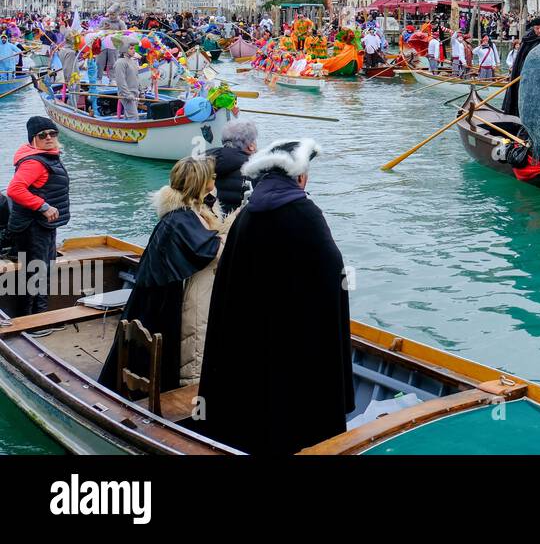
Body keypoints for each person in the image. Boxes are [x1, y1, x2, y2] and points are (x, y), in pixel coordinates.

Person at [197, 139, 353, 454]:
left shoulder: (247, 214)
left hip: (249, 337)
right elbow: (333, 276)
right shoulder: (306, 213)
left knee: (255, 398)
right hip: (298, 342)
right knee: (294, 412)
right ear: (300, 177)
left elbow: (229, 283)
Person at [97, 156, 230, 395]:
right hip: (161, 300)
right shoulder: (181, 220)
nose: (214, 179)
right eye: (211, 177)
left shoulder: (181, 214)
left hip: (154, 293)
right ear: (199, 183)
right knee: (159, 347)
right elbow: (206, 249)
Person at [5, 117, 70, 317]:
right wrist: (43, 206)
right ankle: (32, 322)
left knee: (43, 271)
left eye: (53, 133)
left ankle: (38, 318)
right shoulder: (35, 162)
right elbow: (14, 189)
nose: (49, 137)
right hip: (33, 226)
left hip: (44, 226)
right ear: (33, 139)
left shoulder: (47, 156)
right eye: (42, 135)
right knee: (36, 273)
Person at [205, 119, 258, 215]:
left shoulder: (202, 164)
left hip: (208, 223)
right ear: (251, 146)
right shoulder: (254, 172)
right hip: (236, 225)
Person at [501, 15, 540, 116]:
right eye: (537, 28)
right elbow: (522, 59)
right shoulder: (528, 40)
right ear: (533, 28)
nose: (539, 31)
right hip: (526, 74)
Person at [113, 46, 142, 117]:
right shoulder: (120, 62)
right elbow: (120, 81)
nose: (134, 50)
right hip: (127, 94)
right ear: (124, 50)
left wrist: (141, 90)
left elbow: (136, 77)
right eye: (131, 49)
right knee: (134, 116)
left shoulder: (132, 61)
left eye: (134, 48)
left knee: (129, 115)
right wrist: (127, 94)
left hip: (135, 93)